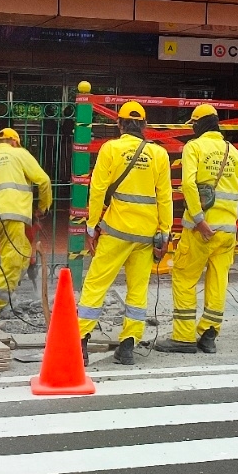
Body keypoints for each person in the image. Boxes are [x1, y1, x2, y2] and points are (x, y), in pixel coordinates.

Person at [79, 101, 173, 365]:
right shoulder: (159, 155)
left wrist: (91, 225)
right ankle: (128, 346)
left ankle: (81, 342)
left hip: (116, 231)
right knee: (137, 290)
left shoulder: (111, 149)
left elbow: (97, 190)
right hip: (145, 235)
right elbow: (165, 197)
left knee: (96, 284)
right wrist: (164, 233)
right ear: (144, 126)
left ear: (119, 124)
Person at [154, 103, 238, 355]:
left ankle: (183, 337)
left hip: (201, 229)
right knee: (218, 281)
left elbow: (188, 185)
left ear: (199, 124)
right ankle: (209, 334)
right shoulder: (234, 152)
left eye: (193, 123)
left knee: (183, 277)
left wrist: (199, 219)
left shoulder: (194, 147)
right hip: (228, 230)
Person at [0, 127, 52, 313]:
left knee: (19, 255)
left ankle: (6, 297)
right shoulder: (19, 154)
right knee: (14, 259)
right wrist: (43, 207)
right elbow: (43, 181)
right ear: (14, 142)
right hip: (13, 213)